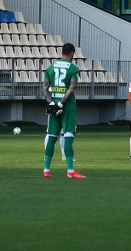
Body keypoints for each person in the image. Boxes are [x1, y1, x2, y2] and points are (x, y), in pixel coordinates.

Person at [42, 42, 85, 178]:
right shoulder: (73, 68)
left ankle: (46, 170)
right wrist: (60, 104)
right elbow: (71, 89)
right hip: (68, 107)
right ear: (72, 53)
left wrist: (53, 104)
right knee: (68, 136)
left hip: (54, 106)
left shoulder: (51, 68)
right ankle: (70, 171)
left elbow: (44, 88)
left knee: (51, 136)